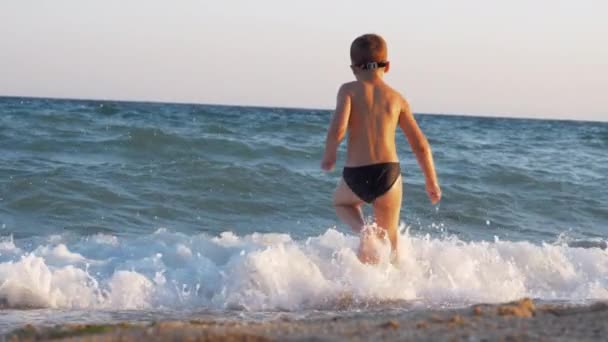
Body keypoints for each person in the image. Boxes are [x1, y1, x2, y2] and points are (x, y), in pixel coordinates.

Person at [321, 33, 441, 263]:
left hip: (356, 173)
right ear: (388, 66)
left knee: (342, 202)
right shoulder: (397, 98)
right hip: (389, 175)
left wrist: (330, 155)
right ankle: (395, 286)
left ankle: (364, 232)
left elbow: (338, 129)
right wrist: (431, 182)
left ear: (354, 68)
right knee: (391, 236)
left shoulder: (348, 90)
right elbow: (421, 146)